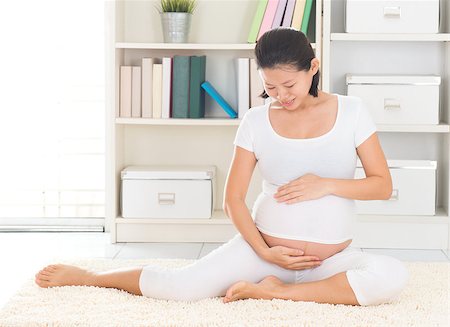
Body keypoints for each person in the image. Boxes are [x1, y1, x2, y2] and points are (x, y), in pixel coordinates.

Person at [35, 28, 408, 306]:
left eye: (288, 84)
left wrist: (325, 184)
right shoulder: (256, 121)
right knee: (179, 289)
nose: (282, 96)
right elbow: (233, 199)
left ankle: (277, 293)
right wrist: (264, 252)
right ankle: (92, 276)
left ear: (313, 67)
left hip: (330, 259)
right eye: (271, 88)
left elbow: (381, 185)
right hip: (263, 250)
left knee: (392, 276)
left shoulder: (352, 112)